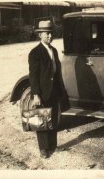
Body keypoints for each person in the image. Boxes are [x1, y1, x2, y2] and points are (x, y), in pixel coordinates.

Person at [28, 20, 63, 158]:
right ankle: (43, 148)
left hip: (54, 90)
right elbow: (33, 76)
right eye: (47, 34)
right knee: (42, 119)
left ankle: (53, 146)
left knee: (53, 118)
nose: (50, 36)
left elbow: (57, 71)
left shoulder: (53, 50)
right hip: (42, 92)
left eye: (51, 34)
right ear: (40, 35)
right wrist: (36, 94)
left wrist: (61, 88)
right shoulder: (35, 52)